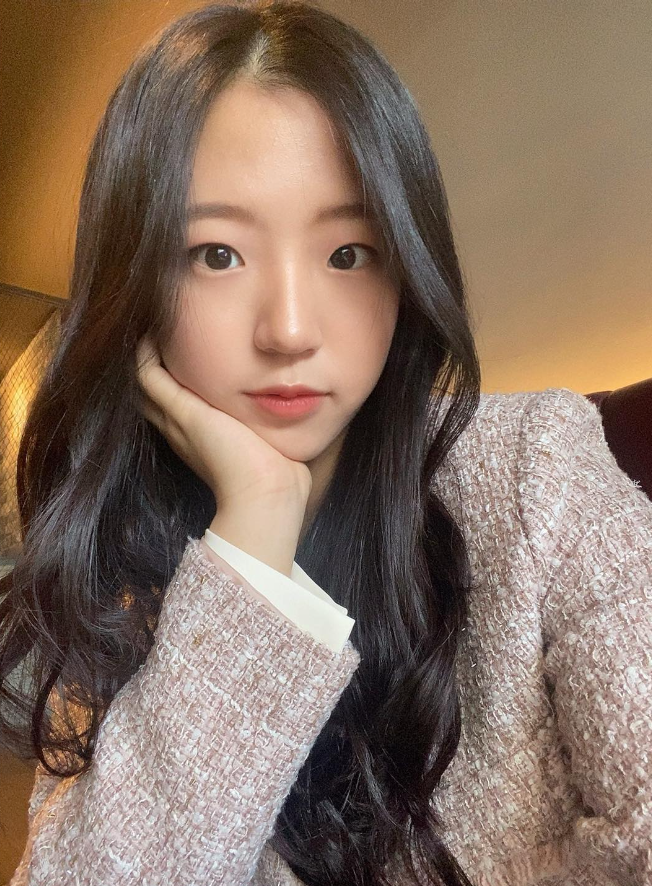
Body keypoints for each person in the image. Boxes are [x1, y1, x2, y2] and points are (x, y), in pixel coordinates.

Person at [1, 2, 650, 884]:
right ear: (137, 286)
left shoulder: (538, 466)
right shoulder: (115, 583)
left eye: (348, 253)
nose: (290, 330)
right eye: (217, 255)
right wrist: (253, 539)